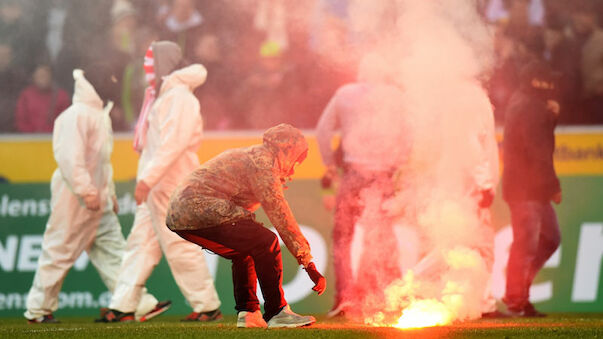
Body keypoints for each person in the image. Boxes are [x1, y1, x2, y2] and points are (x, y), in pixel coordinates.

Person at [24, 67, 161, 324]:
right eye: (109, 78)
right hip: (75, 197)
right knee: (59, 251)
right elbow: (69, 159)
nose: (113, 83)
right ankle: (38, 310)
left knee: (115, 252)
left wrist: (108, 193)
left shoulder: (99, 114)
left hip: (97, 198)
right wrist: (86, 191)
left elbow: (101, 164)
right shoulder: (75, 116)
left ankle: (137, 304)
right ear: (94, 84)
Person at [99, 41, 221, 322]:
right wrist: (148, 180)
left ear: (164, 65)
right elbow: (161, 146)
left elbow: (173, 145)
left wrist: (147, 179)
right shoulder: (165, 96)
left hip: (171, 182)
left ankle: (206, 306)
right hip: (158, 185)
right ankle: (123, 305)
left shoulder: (178, 98)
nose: (147, 70)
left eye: (150, 64)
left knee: (178, 245)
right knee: (139, 244)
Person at [166, 123, 326, 328]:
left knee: (247, 249)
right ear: (285, 149)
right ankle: (277, 312)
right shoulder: (263, 164)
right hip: (198, 206)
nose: (295, 166)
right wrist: (308, 264)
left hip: (180, 214)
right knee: (266, 241)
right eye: (296, 158)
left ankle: (249, 312)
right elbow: (280, 215)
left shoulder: (254, 156)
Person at [315, 54, 409, 317]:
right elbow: (409, 135)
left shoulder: (345, 93)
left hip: (353, 174)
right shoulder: (396, 96)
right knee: (381, 236)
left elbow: (323, 130)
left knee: (342, 238)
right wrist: (399, 165)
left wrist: (328, 163)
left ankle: (346, 297)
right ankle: (386, 296)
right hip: (383, 175)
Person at [502, 61, 562, 317]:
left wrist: (549, 118)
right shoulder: (531, 107)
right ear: (538, 82)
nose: (551, 87)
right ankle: (517, 299)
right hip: (527, 188)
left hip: (528, 187)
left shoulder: (524, 103)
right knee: (526, 245)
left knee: (548, 238)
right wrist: (553, 186)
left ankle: (519, 293)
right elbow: (538, 152)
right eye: (547, 81)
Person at [15, 64, 70, 133]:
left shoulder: (61, 96)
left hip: (54, 138)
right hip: (29, 139)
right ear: (34, 77)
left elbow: (66, 121)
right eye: (40, 76)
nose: (43, 79)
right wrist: (33, 134)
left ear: (51, 76)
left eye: (45, 75)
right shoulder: (26, 95)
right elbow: (21, 120)